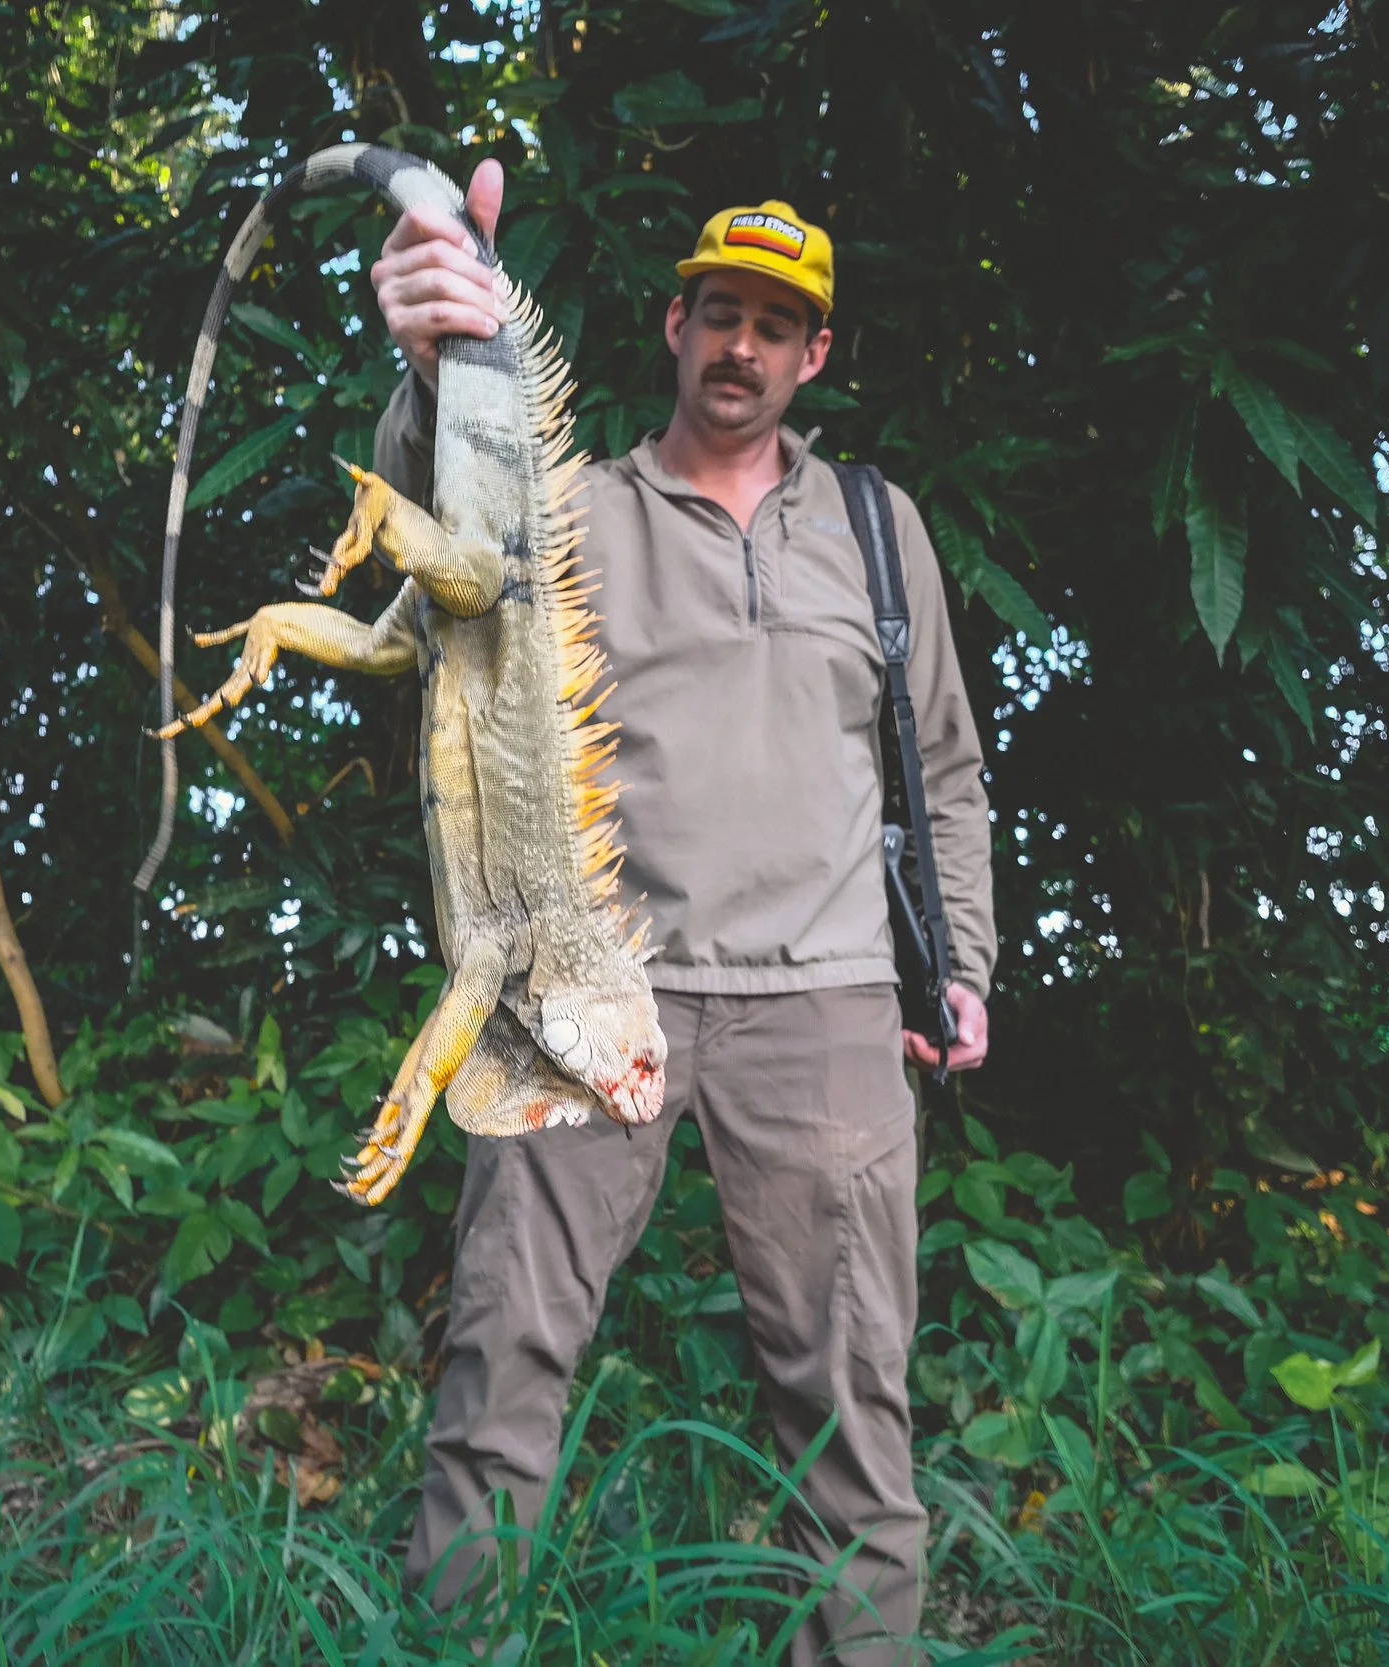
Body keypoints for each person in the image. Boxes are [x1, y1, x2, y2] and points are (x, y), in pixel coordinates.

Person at [369, 158, 996, 1667]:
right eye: (721, 314)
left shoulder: (878, 526)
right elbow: (441, 527)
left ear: (813, 354)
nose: (742, 347)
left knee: (851, 1403)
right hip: (590, 978)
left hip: (828, 999)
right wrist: (438, 362)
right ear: (676, 324)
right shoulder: (580, 507)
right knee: (502, 1357)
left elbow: (943, 770)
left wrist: (960, 962)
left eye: (775, 326)